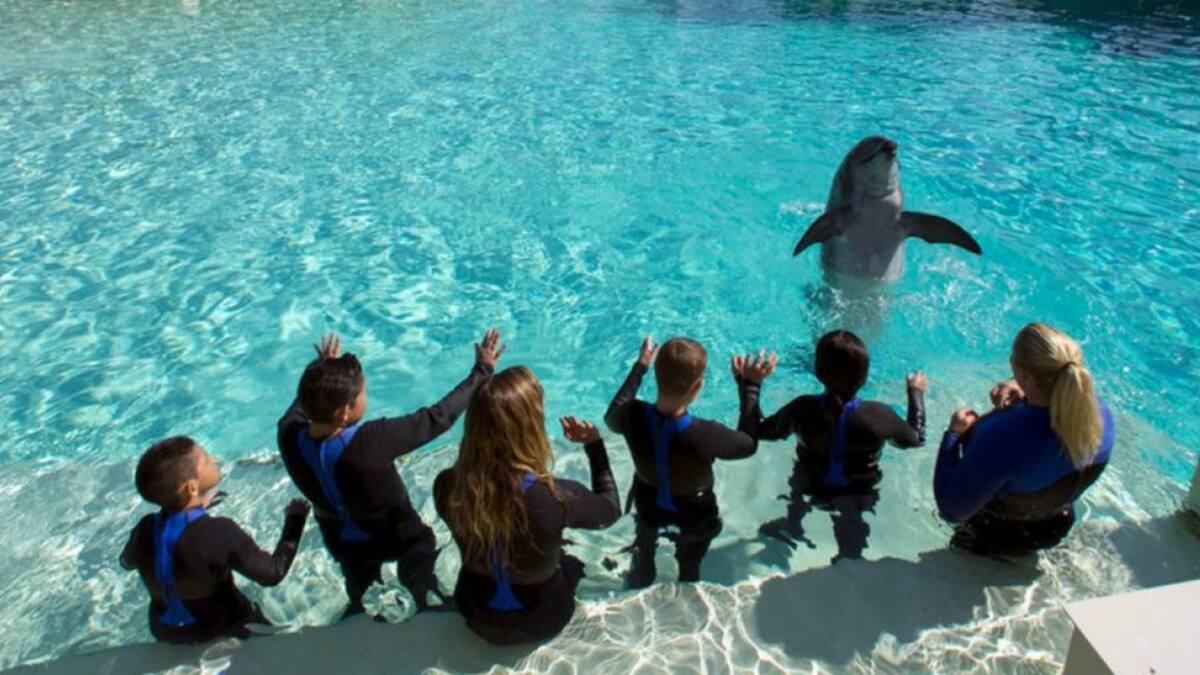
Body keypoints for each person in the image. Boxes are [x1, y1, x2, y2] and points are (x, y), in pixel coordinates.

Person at [276, 330, 503, 616]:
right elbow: (438, 417)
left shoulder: (288, 435)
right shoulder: (372, 442)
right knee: (419, 564)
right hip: (398, 535)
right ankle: (425, 601)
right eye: (362, 394)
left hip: (343, 542)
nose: (365, 397)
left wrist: (325, 373)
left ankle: (358, 611)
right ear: (344, 413)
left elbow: (300, 407)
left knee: (358, 580)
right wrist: (483, 370)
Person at [433, 366, 620, 645]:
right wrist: (594, 445)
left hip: (474, 611)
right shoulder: (556, 496)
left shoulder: (448, 486)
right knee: (572, 561)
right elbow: (610, 510)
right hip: (542, 619)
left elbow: (498, 506)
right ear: (530, 427)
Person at [737, 331, 926, 561]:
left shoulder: (803, 408)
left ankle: (792, 524)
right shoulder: (879, 415)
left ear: (817, 371)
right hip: (858, 492)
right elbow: (915, 439)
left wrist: (750, 386)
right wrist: (915, 392)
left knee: (797, 495)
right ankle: (849, 555)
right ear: (865, 377)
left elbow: (756, 431)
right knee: (853, 520)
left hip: (810, 485)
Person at [934, 322, 1115, 555]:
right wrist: (1022, 385)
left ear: (1027, 374)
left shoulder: (1001, 436)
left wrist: (953, 435)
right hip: (1056, 523)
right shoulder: (1098, 413)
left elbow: (951, 511)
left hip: (995, 534)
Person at [121, 436, 310, 644]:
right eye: (205, 459)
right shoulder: (220, 532)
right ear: (192, 488)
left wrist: (197, 508)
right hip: (220, 627)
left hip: (165, 629)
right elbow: (272, 573)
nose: (212, 457)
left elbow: (126, 563)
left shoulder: (145, 528)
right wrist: (295, 520)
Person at [605, 335, 756, 588]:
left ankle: (642, 574)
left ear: (655, 375)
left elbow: (612, 414)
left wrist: (639, 367)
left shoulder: (633, 415)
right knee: (690, 561)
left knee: (644, 546)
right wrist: (748, 387)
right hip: (695, 513)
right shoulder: (707, 434)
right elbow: (748, 443)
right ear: (697, 387)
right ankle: (687, 582)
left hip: (648, 502)